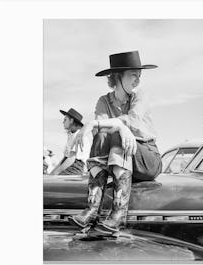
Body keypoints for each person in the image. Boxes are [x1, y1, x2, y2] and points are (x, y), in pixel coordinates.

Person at [68, 51, 162, 234]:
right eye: (133, 75)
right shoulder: (104, 101)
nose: (138, 80)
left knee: (115, 132)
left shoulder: (139, 96)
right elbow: (101, 131)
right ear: (118, 76)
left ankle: (119, 213)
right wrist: (117, 127)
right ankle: (92, 209)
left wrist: (113, 126)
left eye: (139, 76)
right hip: (119, 163)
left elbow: (131, 120)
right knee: (102, 135)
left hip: (147, 159)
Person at [50, 108, 90, 175]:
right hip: (68, 165)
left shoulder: (78, 136)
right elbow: (65, 158)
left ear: (71, 120)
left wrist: (56, 173)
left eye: (65, 120)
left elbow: (71, 159)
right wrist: (52, 172)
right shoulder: (72, 135)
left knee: (51, 182)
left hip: (75, 167)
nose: (63, 122)